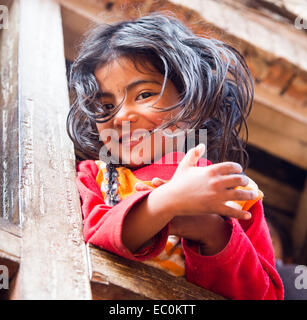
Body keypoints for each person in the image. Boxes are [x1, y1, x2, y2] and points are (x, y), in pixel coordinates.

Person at [67, 13, 284, 300]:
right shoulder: (92, 176)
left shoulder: (234, 193)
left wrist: (213, 232)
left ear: (191, 103)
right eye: (105, 107)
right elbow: (94, 236)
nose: (121, 116)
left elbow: (265, 295)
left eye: (144, 94)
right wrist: (165, 204)